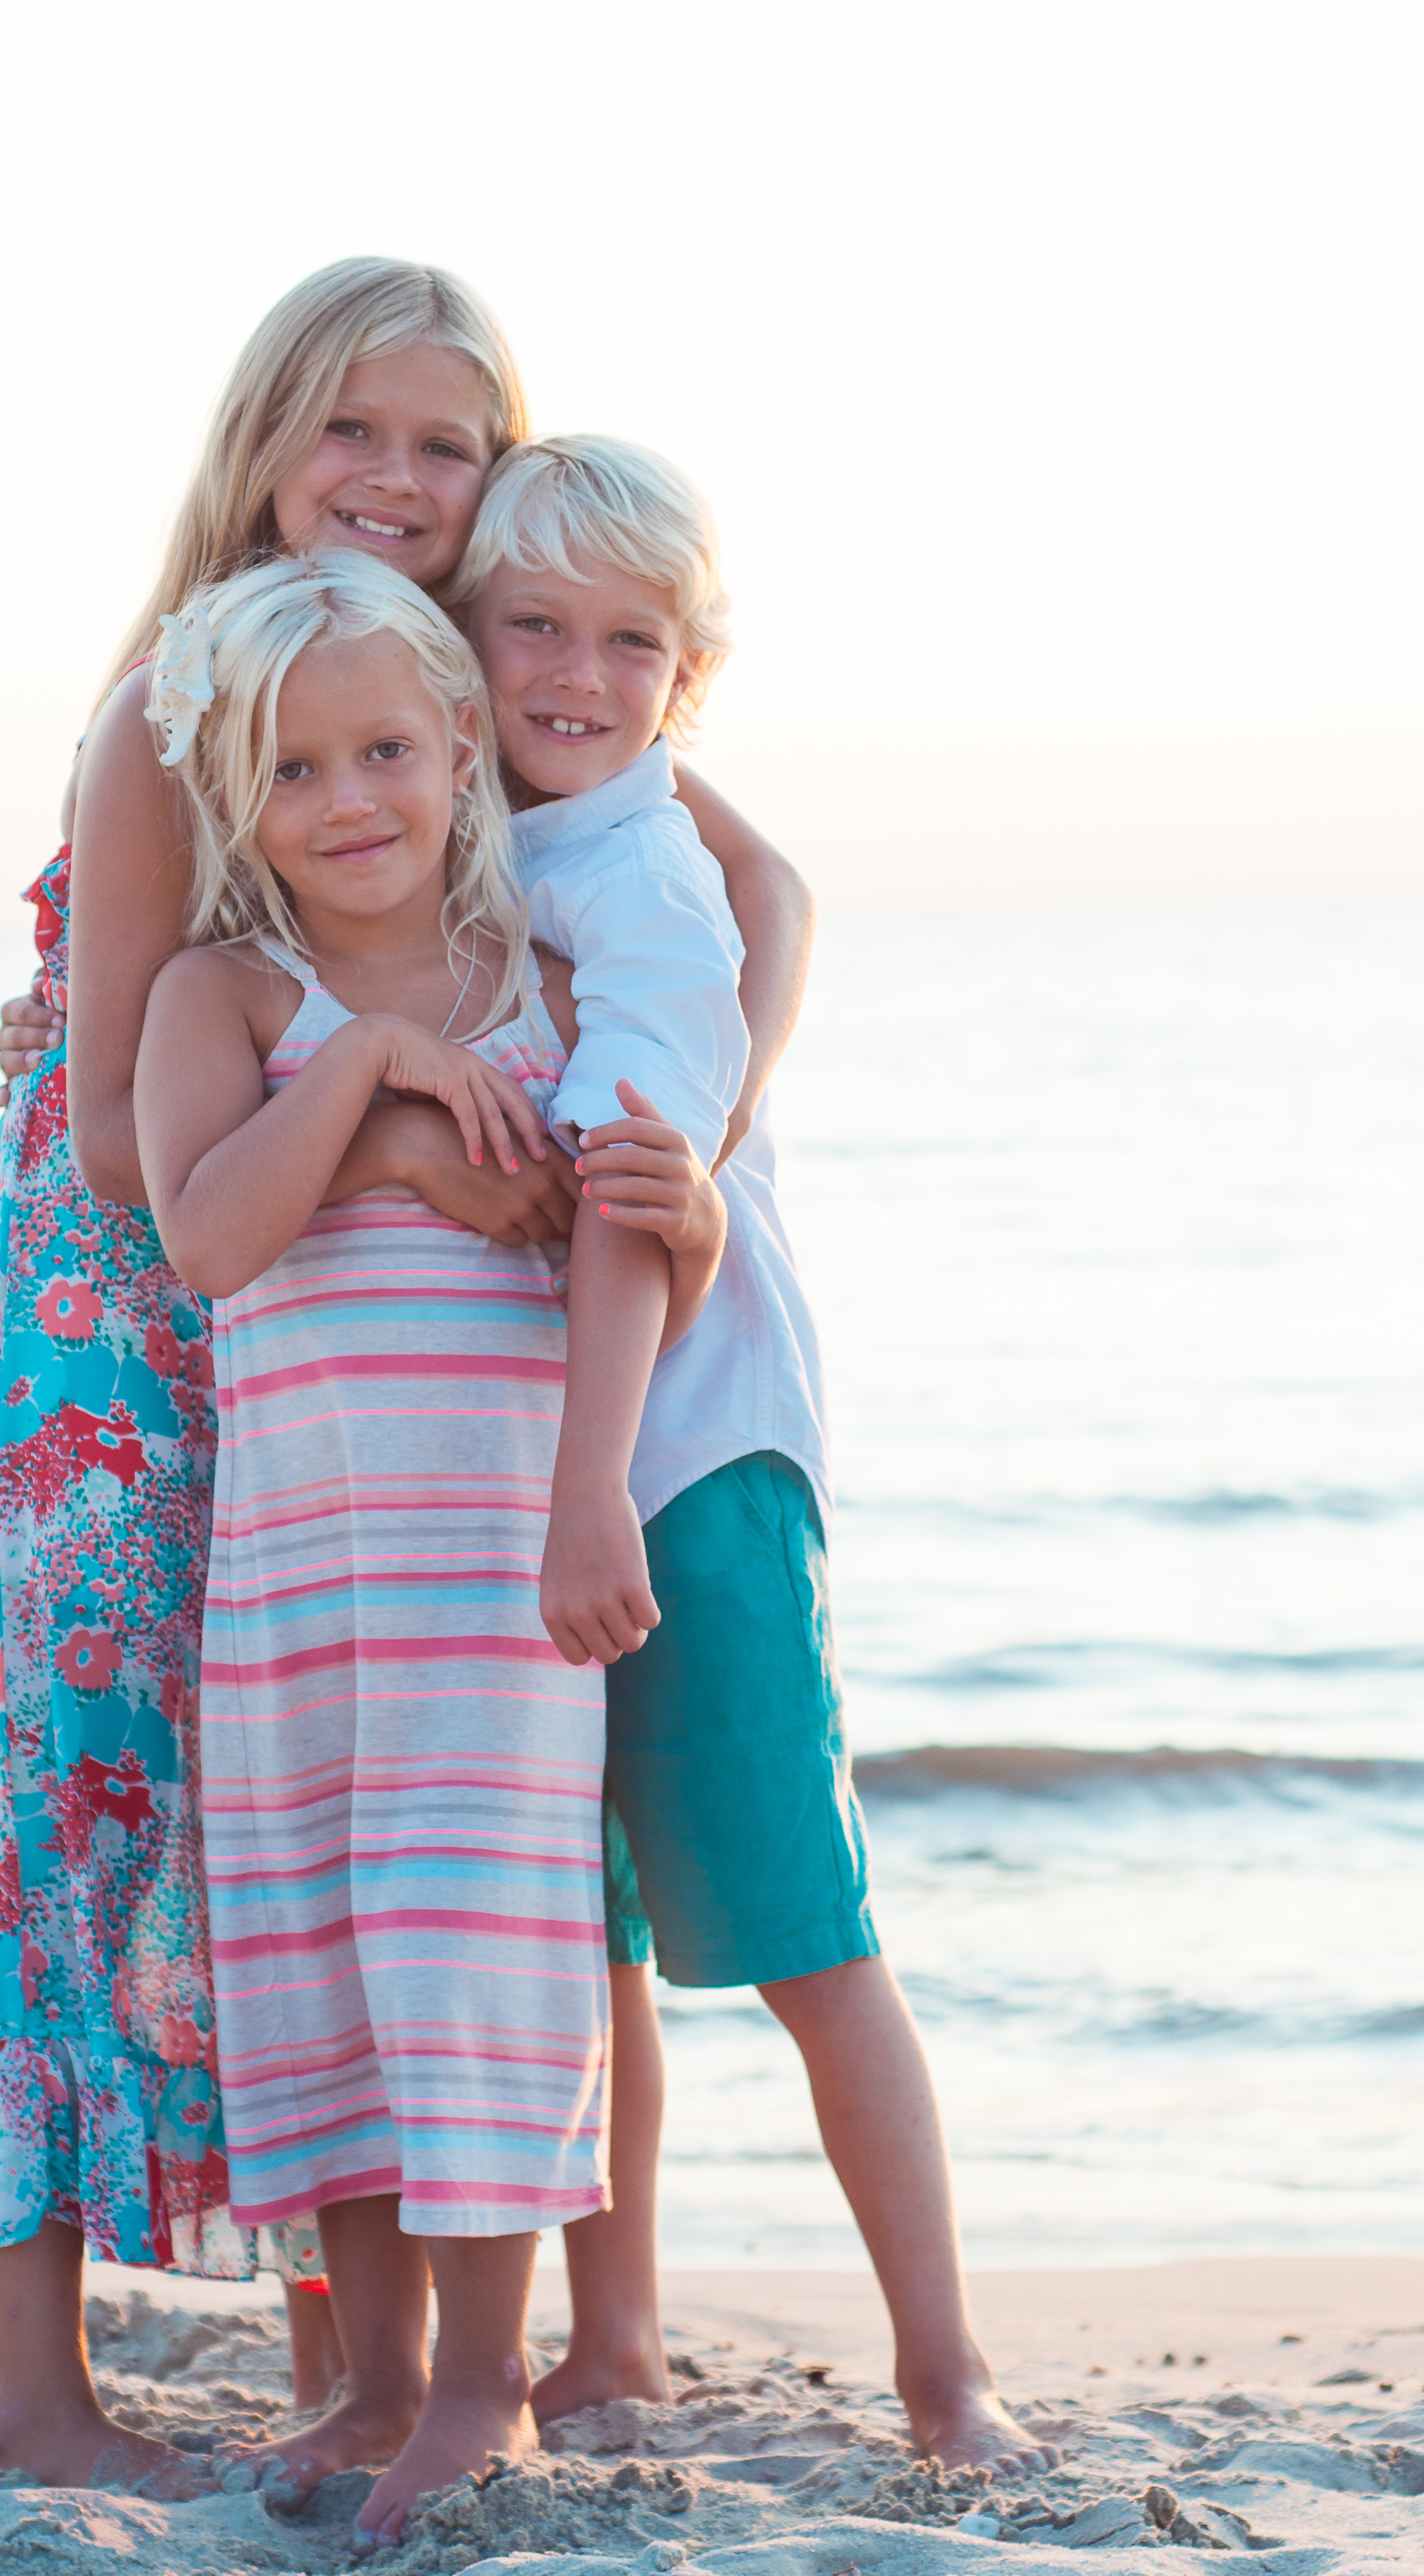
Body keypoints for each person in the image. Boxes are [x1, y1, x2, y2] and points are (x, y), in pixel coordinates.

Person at [0, 258, 551, 2488]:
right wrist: (406, 1124)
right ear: (261, 441)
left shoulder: (431, 700)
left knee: (283, 1798)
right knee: (87, 1794)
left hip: (303, 1322)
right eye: (349, 431)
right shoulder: (167, 708)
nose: (392, 481)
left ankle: (354, 2365)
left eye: (444, 444)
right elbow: (113, 1121)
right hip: (121, 1324)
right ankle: (32, 2394)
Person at [448, 436, 1056, 2476]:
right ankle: (610, 2339)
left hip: (681, 1463)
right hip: (555, 1466)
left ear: (685, 679)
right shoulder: (473, 825)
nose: (574, 672)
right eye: (533, 626)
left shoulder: (645, 879)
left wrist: (592, 1483)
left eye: (629, 644)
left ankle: (946, 2372)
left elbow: (637, 1193)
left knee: (803, 1929)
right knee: (581, 1922)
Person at [131, 551, 724, 2544]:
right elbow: (203, 1236)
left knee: (482, 1960)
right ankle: (372, 2377)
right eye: (294, 772)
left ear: (463, 748)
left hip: (495, 1576)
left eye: (386, 748)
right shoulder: (220, 993)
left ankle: (486, 2385)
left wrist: (596, 1490)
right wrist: (377, 1076)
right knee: (316, 1953)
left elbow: (620, 1235)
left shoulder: (548, 991)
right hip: (301, 1583)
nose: (349, 799)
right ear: (236, 799)